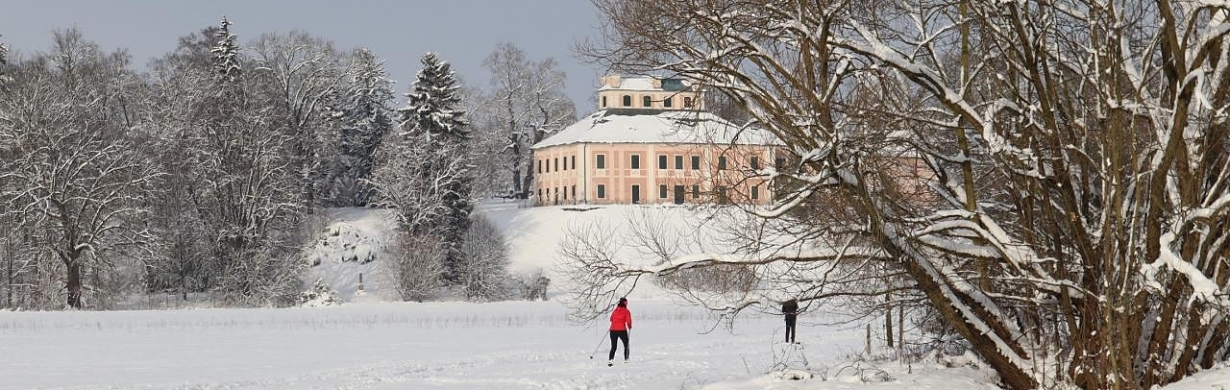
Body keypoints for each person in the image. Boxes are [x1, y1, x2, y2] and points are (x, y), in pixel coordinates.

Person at [608, 297, 632, 366]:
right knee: (626, 345)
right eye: (626, 302)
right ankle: (626, 359)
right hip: (622, 330)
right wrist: (629, 326)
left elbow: (611, 319)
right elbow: (628, 321)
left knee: (613, 346)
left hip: (612, 330)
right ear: (625, 303)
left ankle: (610, 360)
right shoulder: (626, 311)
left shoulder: (615, 310)